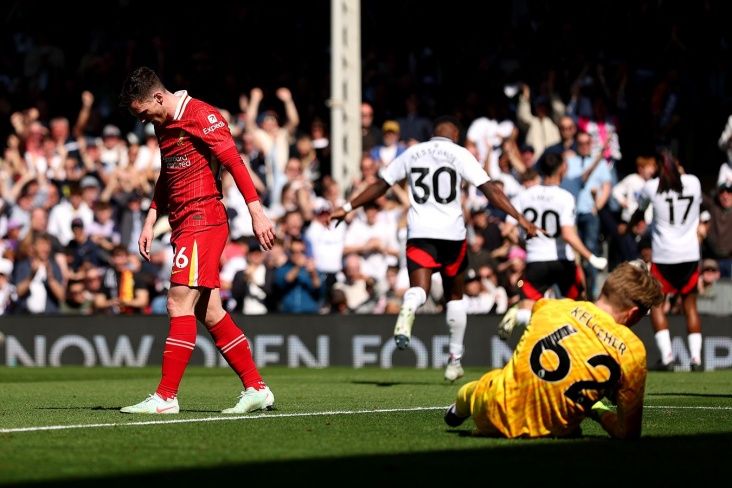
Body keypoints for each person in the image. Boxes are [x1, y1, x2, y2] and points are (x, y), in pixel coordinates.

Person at [330, 116, 539, 382]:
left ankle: (409, 304)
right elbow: (490, 190)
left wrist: (347, 207)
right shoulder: (459, 153)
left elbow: (381, 185)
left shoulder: (412, 152)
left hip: (419, 232)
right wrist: (520, 218)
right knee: (455, 297)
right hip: (452, 235)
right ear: (454, 134)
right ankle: (454, 360)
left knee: (419, 289)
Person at [118, 66, 276, 414]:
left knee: (178, 303)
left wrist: (257, 212)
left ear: (158, 97)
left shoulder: (201, 115)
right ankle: (256, 388)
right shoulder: (162, 123)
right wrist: (151, 217)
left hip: (203, 219)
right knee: (210, 312)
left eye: (143, 112)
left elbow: (234, 162)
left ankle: (165, 397)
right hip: (182, 223)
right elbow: (168, 172)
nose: (143, 120)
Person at [444, 260, 663, 439]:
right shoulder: (632, 350)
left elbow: (535, 309)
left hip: (493, 410)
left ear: (606, 287)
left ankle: (459, 408)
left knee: (486, 384)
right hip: (552, 432)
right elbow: (628, 434)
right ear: (633, 313)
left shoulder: (551, 306)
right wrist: (598, 410)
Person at [496, 153, 608, 341]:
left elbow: (506, 230)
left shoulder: (524, 196)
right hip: (561, 261)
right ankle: (577, 346)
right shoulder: (565, 197)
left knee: (528, 304)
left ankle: (518, 316)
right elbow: (568, 234)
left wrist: (525, 244)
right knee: (579, 303)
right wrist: (591, 257)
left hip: (535, 261)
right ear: (562, 169)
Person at [633, 150, 703, 371]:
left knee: (657, 305)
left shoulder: (651, 187)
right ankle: (696, 359)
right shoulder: (694, 182)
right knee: (690, 306)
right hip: (689, 254)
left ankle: (668, 357)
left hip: (664, 255)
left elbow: (639, 211)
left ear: (658, 167)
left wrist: (631, 224)